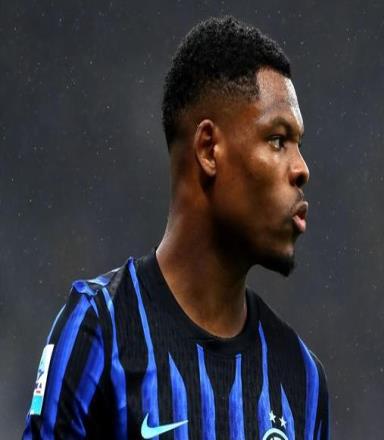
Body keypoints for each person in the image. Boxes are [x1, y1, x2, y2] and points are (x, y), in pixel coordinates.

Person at [23, 15, 331, 440]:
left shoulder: (301, 379)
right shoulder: (100, 332)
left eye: (298, 144)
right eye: (277, 140)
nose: (301, 168)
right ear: (208, 149)